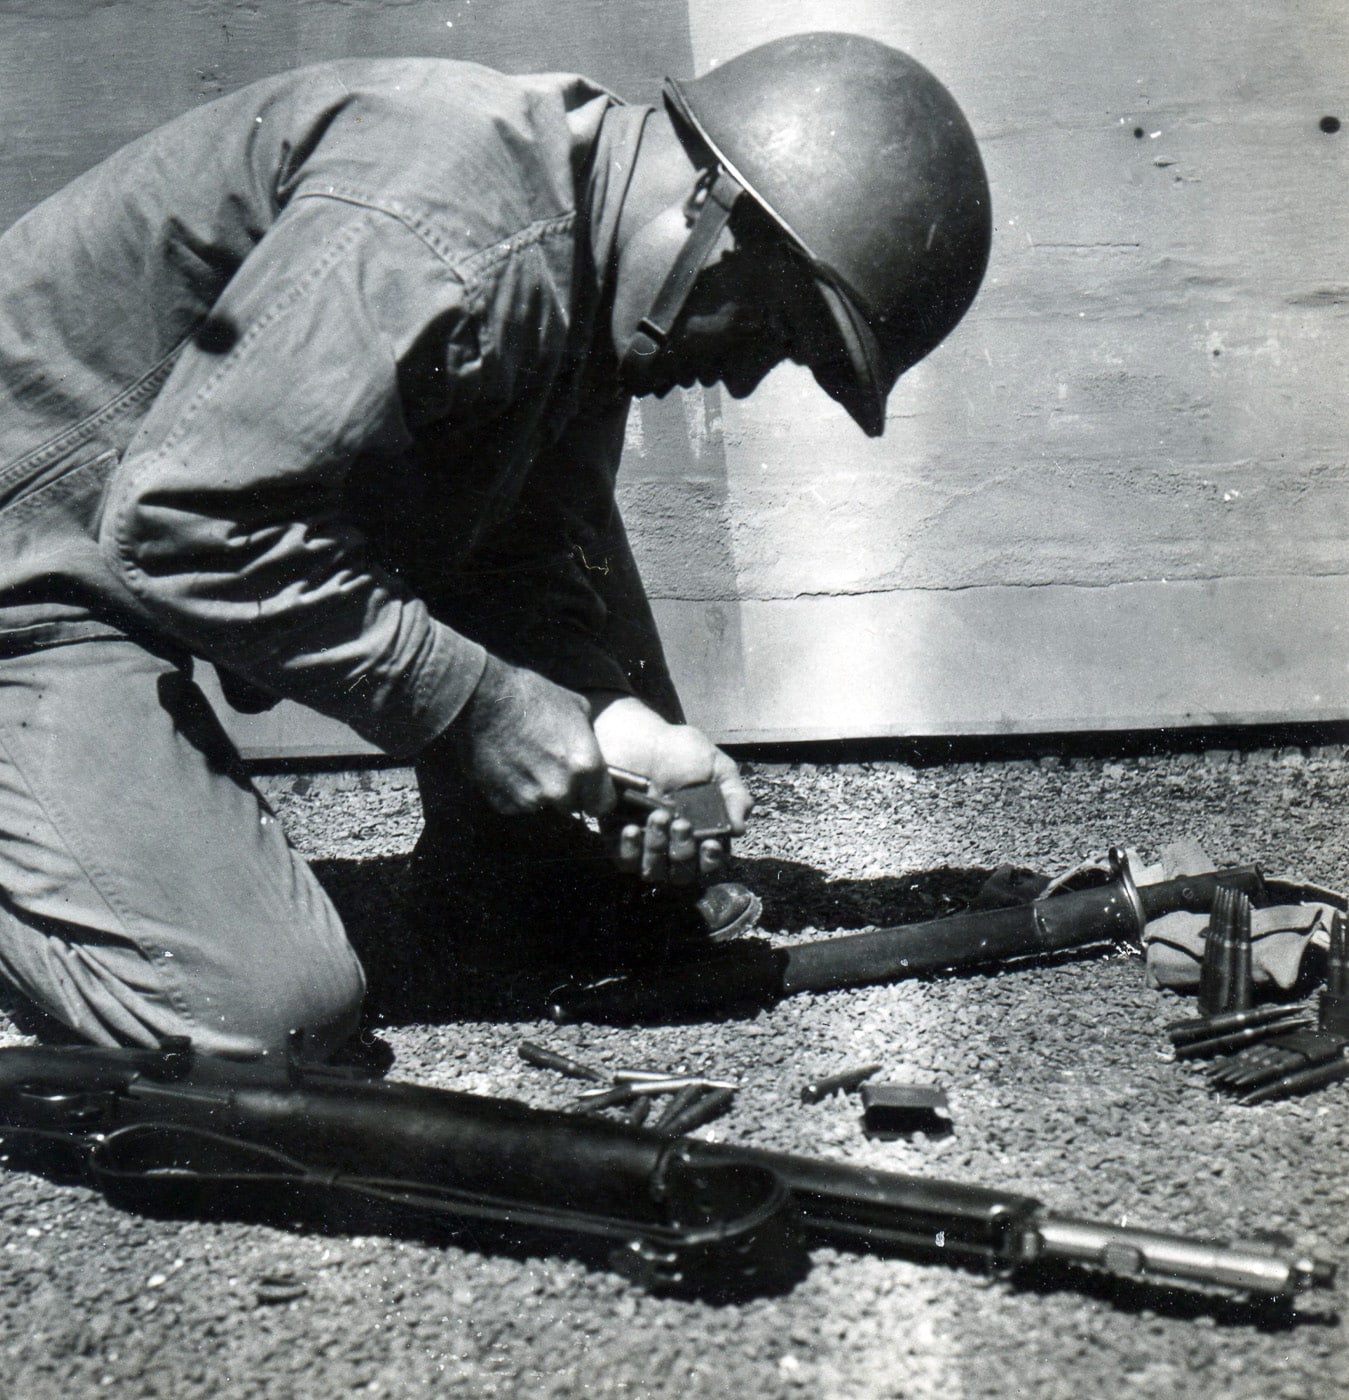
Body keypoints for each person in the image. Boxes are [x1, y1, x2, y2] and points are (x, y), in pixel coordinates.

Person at [0, 32, 990, 1057]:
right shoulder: (458, 236)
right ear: (716, 218)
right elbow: (185, 525)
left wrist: (608, 723)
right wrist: (481, 706)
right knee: (263, 1020)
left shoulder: (583, 257)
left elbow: (519, 550)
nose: (742, 381)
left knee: (588, 897)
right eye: (775, 330)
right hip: (30, 570)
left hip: (133, 525)